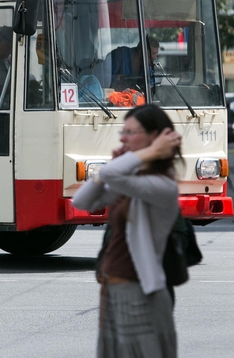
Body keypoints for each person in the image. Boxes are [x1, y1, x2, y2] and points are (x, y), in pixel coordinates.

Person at [72, 104, 182, 358]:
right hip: (114, 288)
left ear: (155, 137)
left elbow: (112, 173)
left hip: (139, 291)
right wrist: (108, 173)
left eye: (131, 132)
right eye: (123, 131)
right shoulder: (132, 179)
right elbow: (82, 202)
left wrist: (149, 153)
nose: (123, 138)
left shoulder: (162, 185)